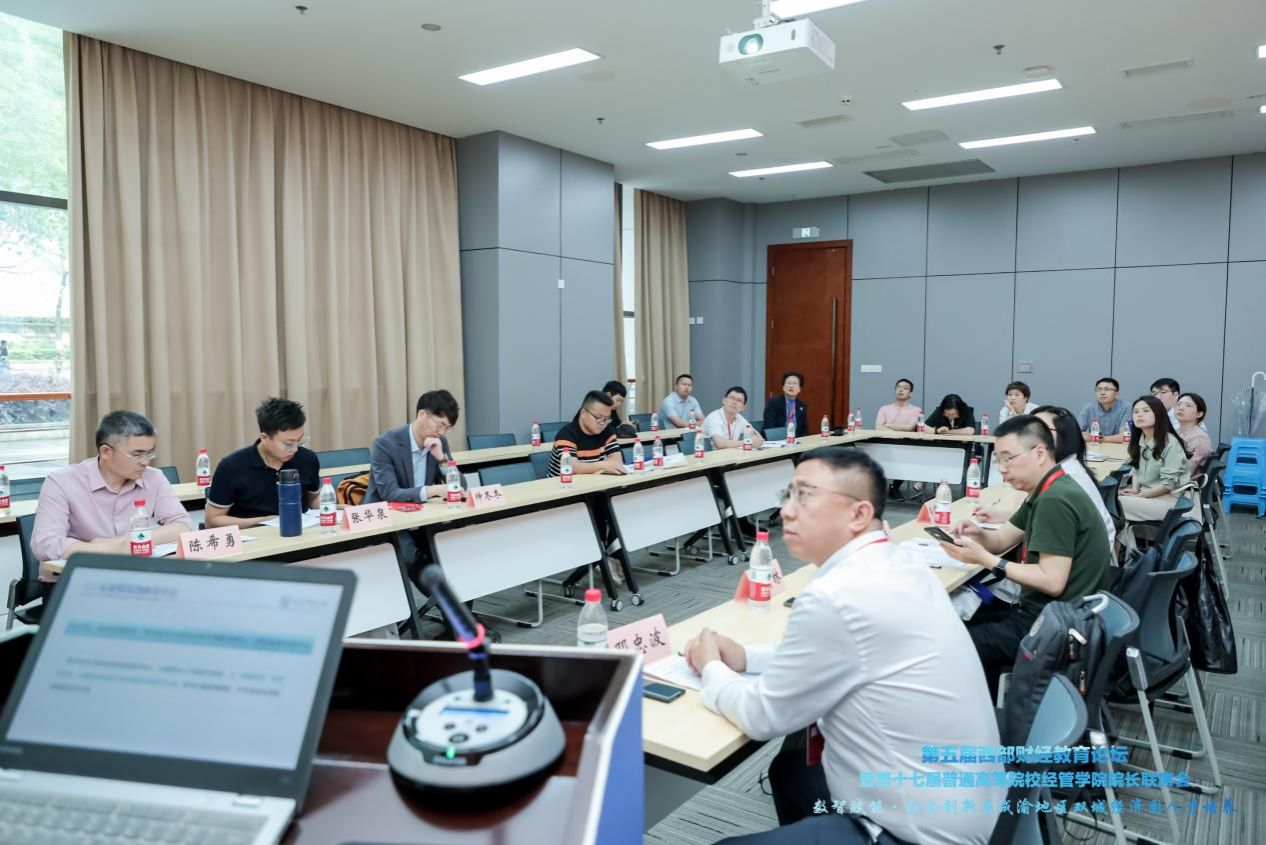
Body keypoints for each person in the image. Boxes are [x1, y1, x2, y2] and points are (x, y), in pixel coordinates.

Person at [685, 448, 1004, 845]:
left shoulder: (838, 594)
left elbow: (762, 717)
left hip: (923, 831)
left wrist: (711, 667)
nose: (786, 511)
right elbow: (847, 655)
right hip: (969, 801)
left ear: (858, 514)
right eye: (788, 496)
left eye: (805, 497)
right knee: (791, 771)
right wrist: (747, 657)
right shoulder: (898, 562)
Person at [940, 415, 1113, 695]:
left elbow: (1051, 581)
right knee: (964, 621)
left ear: (1040, 453)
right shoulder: (1049, 486)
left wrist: (985, 559)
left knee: (956, 639)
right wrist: (977, 533)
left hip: (1056, 624)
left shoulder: (1055, 499)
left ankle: (983, 713)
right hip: (1054, 614)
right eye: (998, 460)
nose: (1002, 468)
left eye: (1008, 458)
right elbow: (1001, 539)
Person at [31, 411, 193, 574]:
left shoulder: (153, 477)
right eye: (137, 455)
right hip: (76, 578)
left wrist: (128, 542)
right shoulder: (61, 481)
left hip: (134, 575)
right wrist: (110, 548)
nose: (145, 462)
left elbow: (182, 525)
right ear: (106, 452)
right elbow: (45, 544)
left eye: (149, 453)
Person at [974, 405, 1115, 555]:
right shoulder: (1059, 470)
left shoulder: (1061, 485)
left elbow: (1052, 571)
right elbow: (1032, 516)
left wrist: (984, 558)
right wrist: (999, 516)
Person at [205, 398, 321, 528]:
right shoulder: (232, 466)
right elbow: (212, 520)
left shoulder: (308, 459)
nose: (295, 449)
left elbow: (313, 499)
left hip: (300, 532)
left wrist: (335, 507)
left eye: (299, 441)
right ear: (265, 438)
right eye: (288, 444)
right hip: (253, 536)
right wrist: (266, 521)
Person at [364, 389, 463, 506]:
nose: (442, 432)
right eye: (440, 425)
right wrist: (432, 490)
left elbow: (462, 487)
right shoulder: (384, 444)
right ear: (422, 415)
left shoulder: (439, 442)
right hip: (386, 512)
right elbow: (390, 494)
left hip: (422, 512)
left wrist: (442, 459)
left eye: (447, 428)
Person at [1120, 395, 1191, 524]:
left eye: (1146, 411)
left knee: (1110, 503)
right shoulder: (1140, 439)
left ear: (1158, 414)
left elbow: (1167, 485)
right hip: (1146, 493)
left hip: (1167, 500)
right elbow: (1136, 469)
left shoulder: (1170, 443)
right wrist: (1135, 488)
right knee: (1109, 498)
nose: (1139, 415)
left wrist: (1140, 495)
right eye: (1136, 412)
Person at [548, 390, 627, 477]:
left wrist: (599, 466)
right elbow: (572, 467)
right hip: (564, 483)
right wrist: (604, 465)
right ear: (583, 413)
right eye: (599, 418)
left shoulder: (607, 430)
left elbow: (617, 462)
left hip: (591, 482)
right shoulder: (566, 435)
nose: (603, 424)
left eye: (606, 419)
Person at [875, 378, 922, 498]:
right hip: (885, 444)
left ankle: (894, 486)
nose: (901, 390)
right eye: (898, 387)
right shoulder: (884, 409)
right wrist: (899, 433)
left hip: (905, 446)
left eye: (905, 388)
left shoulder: (916, 410)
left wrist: (889, 425)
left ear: (910, 393)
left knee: (906, 456)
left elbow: (910, 428)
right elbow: (878, 427)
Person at [1077, 377, 1130, 442]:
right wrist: (1082, 435)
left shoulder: (1126, 407)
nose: (1102, 393)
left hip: (1119, 447)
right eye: (1099, 389)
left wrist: (1102, 439)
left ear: (1117, 394)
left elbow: (1125, 436)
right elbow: (1075, 431)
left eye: (1107, 389)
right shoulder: (1088, 408)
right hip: (1095, 446)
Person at [1175, 392, 1213, 476]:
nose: (1180, 408)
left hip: (1184, 482)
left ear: (1199, 414)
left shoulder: (1199, 438)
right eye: (1178, 404)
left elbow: (1186, 470)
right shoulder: (1178, 431)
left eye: (1188, 405)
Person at [761, 371, 809, 436]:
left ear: (799, 389)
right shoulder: (773, 402)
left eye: (795, 384)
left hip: (796, 439)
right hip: (777, 438)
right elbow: (769, 427)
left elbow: (804, 430)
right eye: (788, 383)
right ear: (783, 387)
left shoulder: (802, 405)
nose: (791, 386)